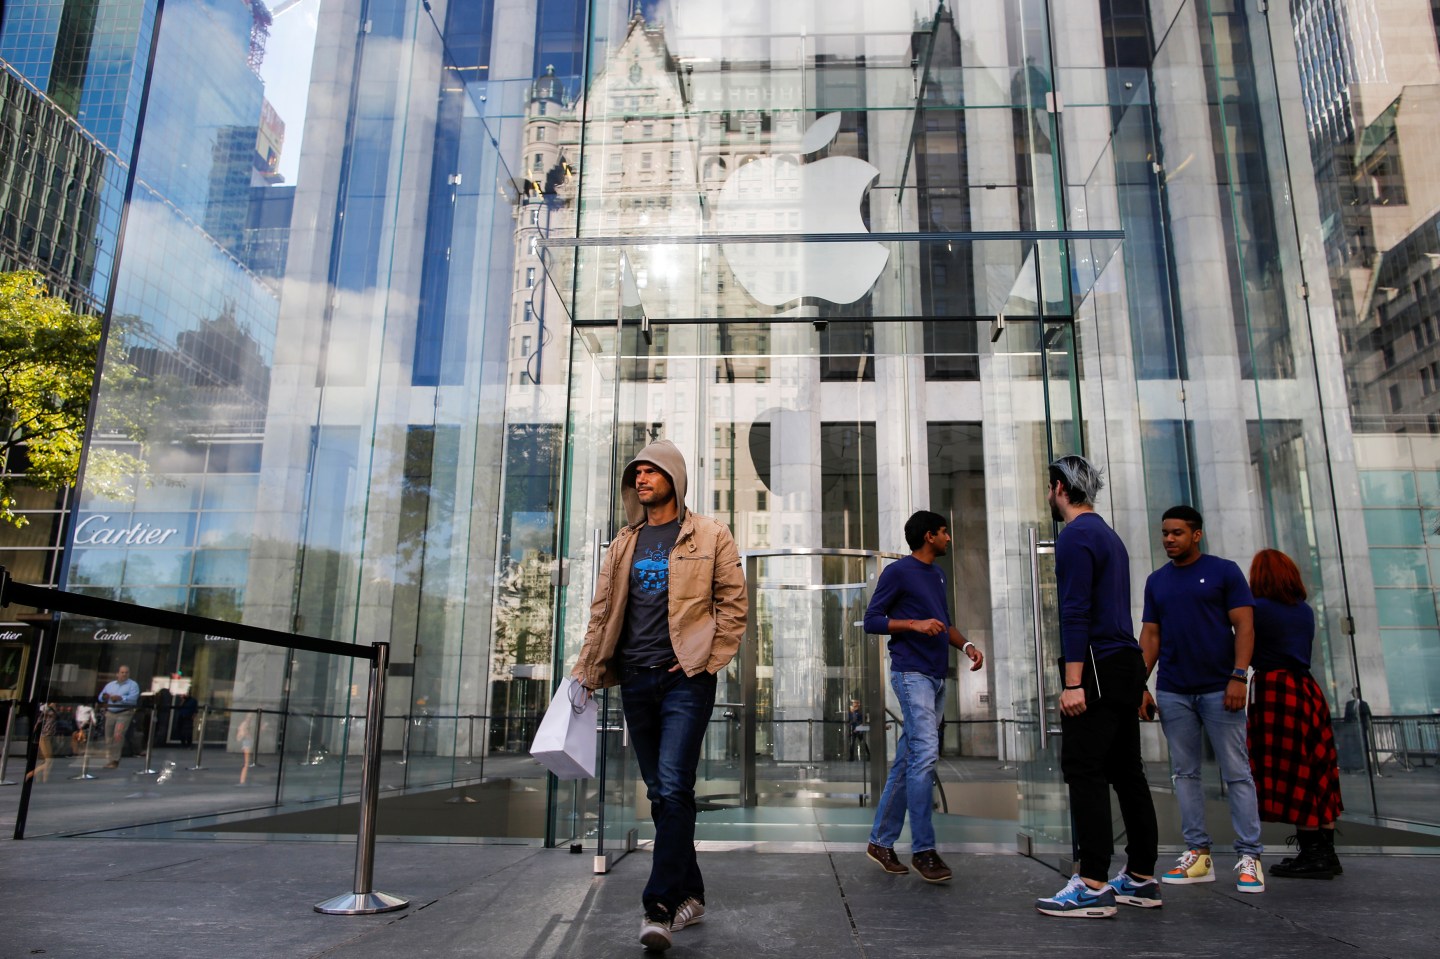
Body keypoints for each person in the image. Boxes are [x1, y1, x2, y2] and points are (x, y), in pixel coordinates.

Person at [571, 440, 747, 952]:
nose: (642, 478)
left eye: (651, 471)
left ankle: (660, 907)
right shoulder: (623, 543)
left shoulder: (711, 534)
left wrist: (705, 660)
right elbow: (602, 611)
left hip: (685, 680)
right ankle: (692, 894)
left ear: (674, 477)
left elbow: (733, 606)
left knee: (672, 787)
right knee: (661, 793)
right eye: (637, 473)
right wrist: (586, 668)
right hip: (635, 677)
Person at [1033, 455, 1159, 918]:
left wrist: (1072, 682)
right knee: (1127, 771)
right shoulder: (1108, 535)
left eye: (1050, 487)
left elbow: (1075, 612)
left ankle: (1092, 883)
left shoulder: (1075, 538)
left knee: (1084, 769)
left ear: (1061, 487)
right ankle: (1142, 878)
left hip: (1097, 666)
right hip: (1126, 663)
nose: (1048, 495)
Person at [1140, 505, 1265, 893]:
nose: (1168, 540)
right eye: (1164, 533)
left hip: (1220, 687)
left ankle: (1250, 858)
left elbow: (1244, 625)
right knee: (1184, 774)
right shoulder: (1157, 581)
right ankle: (1199, 854)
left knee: (1237, 772)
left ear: (1196, 535)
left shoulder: (1224, 571)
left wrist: (1238, 676)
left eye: (1176, 533)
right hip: (1173, 690)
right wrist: (1138, 686)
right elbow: (1151, 637)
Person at [863, 510, 984, 884]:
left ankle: (880, 842)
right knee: (926, 753)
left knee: (909, 758)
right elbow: (871, 620)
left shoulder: (938, 573)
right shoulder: (898, 572)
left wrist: (966, 645)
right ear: (930, 536)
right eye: (945, 532)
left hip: (936, 677)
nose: (950, 537)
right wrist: (912, 624)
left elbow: (943, 623)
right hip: (910, 672)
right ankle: (924, 850)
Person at [1246, 549, 1344, 879]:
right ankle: (1324, 851)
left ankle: (1313, 854)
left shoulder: (1257, 610)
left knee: (1294, 770)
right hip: (1307, 688)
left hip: (1276, 691)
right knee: (1319, 769)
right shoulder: (1304, 610)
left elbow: (1243, 649)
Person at [97, 665, 140, 769]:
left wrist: (121, 698)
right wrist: (104, 697)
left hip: (124, 713)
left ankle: (115, 760)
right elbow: (100, 697)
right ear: (117, 674)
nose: (124, 674)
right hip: (111, 712)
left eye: (126, 672)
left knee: (118, 735)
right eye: (122, 672)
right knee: (109, 736)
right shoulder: (110, 685)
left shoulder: (133, 685)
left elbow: (133, 699)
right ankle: (110, 758)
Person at [236, 711, 257, 785]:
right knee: (246, 763)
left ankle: (244, 779)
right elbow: (239, 737)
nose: (250, 719)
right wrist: (244, 734)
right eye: (249, 717)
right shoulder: (244, 724)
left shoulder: (248, 724)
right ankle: (242, 780)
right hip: (246, 744)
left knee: (247, 763)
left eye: (251, 717)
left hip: (248, 743)